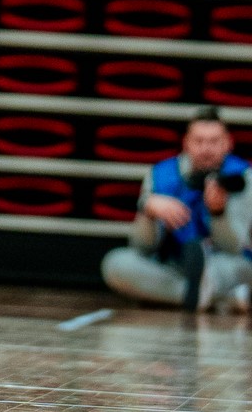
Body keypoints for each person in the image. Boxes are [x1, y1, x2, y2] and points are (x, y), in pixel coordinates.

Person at [102, 107, 252, 312]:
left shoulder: (243, 178)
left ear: (228, 143)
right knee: (116, 263)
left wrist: (218, 214)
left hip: (220, 265)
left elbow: (235, 249)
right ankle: (213, 297)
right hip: (172, 265)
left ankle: (186, 293)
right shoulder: (160, 175)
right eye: (199, 141)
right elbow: (141, 247)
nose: (206, 149)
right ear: (186, 143)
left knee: (241, 269)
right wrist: (148, 212)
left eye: (214, 141)